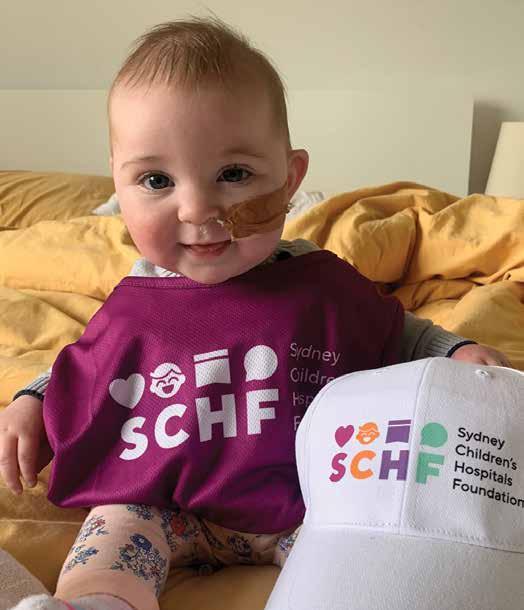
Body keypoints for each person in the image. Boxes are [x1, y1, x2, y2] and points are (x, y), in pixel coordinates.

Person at [0, 16, 510, 610]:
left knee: (364, 541)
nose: (198, 209)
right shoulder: (136, 299)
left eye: (234, 174)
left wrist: (455, 351)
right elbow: (89, 368)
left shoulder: (319, 282)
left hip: (304, 504)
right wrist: (32, 402)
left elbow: (399, 334)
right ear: (119, 182)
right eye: (157, 179)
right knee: (112, 530)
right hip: (163, 502)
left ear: (290, 179)